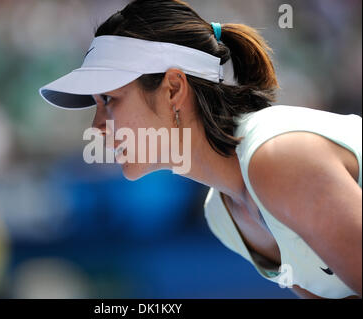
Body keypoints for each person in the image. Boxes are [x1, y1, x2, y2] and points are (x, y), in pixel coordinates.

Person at [39, 0, 362, 299]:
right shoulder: (221, 215)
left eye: (108, 100)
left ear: (173, 89)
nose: (96, 126)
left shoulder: (278, 157)